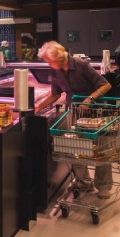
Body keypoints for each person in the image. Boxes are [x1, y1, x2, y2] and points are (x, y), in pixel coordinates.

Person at [38, 41, 114, 198]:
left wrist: (90, 99)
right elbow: (55, 94)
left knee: (101, 149)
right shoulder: (55, 71)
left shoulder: (81, 65)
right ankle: (84, 182)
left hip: (95, 112)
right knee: (75, 149)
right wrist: (37, 106)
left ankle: (104, 185)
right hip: (73, 113)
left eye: (50, 61)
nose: (48, 64)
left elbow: (106, 85)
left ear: (59, 58)